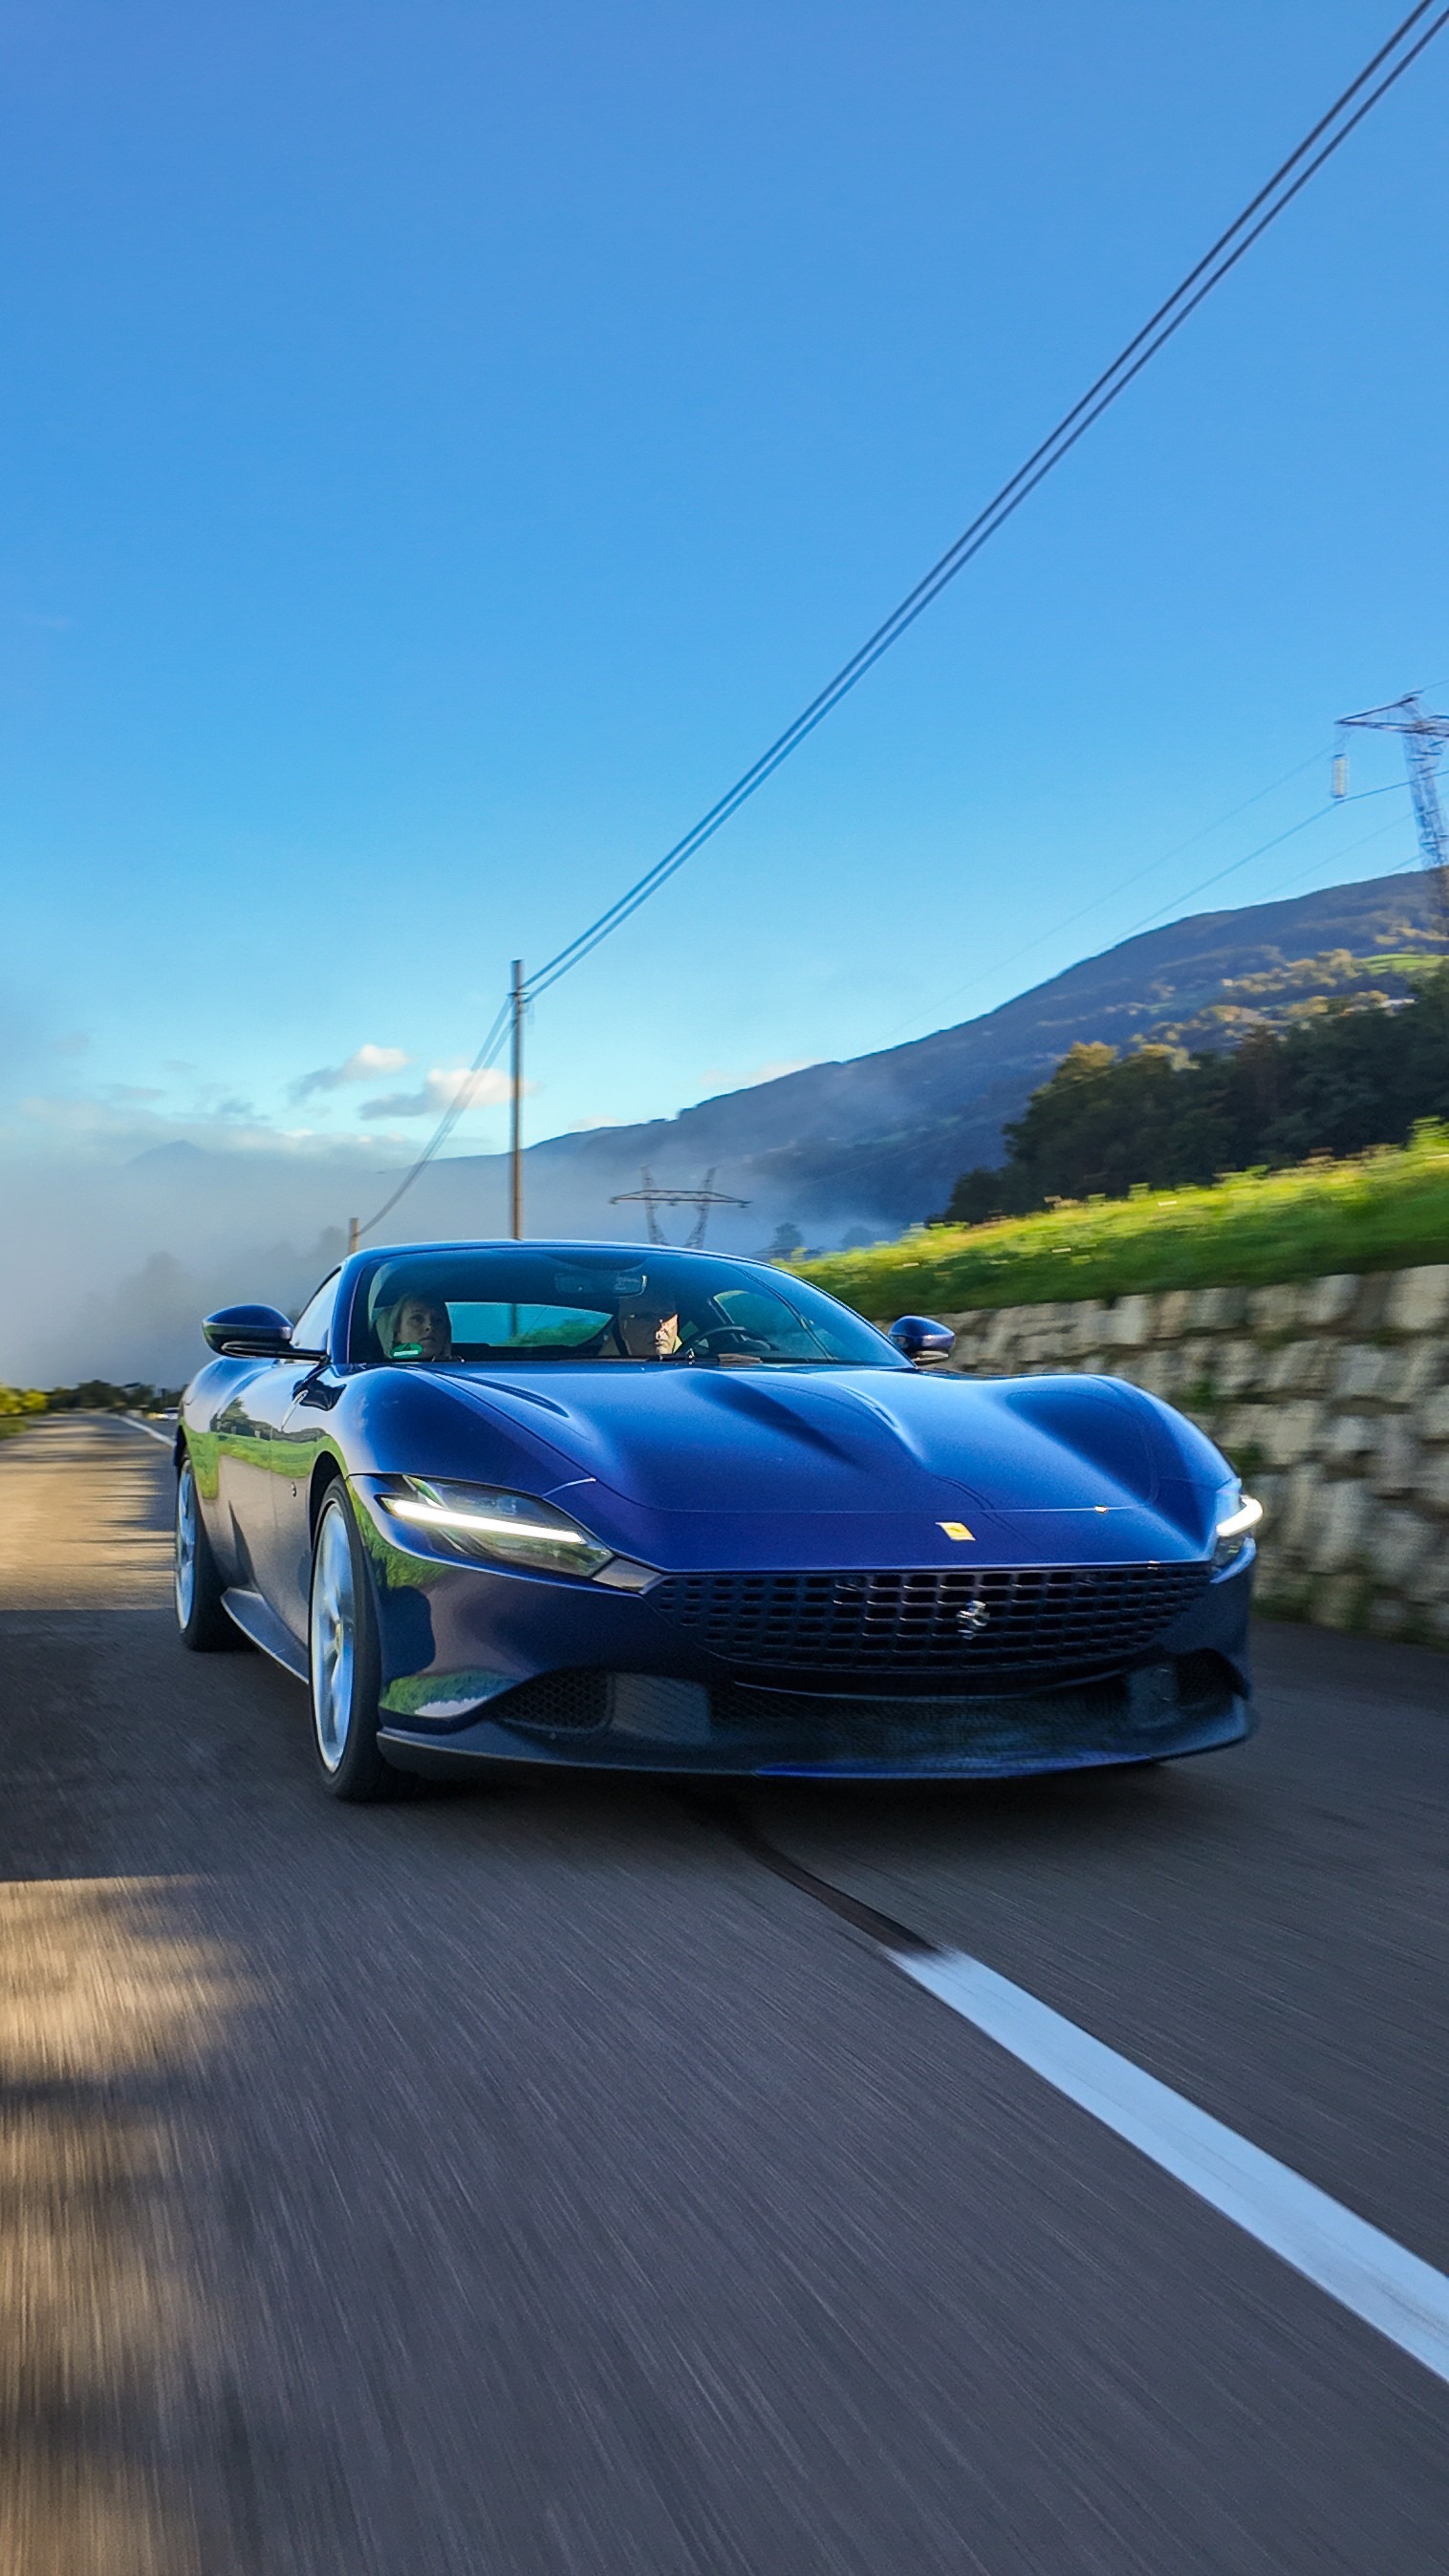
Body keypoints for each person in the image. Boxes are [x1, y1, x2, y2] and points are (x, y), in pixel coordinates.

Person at [600, 1297, 681, 1360]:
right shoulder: (603, 1376)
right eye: (646, 1317)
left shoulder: (692, 1365)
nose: (659, 1326)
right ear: (623, 1327)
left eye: (666, 1315)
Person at [386, 1294, 454, 1362]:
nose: (429, 1326)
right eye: (417, 1319)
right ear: (397, 1332)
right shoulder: (384, 1370)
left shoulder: (458, 1368)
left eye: (438, 1321)